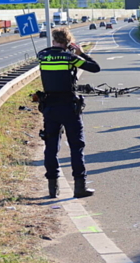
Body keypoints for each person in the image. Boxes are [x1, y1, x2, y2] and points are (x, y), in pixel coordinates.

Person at [38, 26, 101, 198]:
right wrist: (80, 53)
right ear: (68, 43)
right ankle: (79, 187)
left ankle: (53, 188)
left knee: (51, 147)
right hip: (69, 107)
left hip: (49, 107)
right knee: (76, 146)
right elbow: (95, 68)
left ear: (53, 40)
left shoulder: (43, 56)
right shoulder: (70, 57)